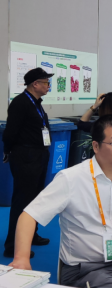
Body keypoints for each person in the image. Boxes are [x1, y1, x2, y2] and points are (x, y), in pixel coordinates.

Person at [9, 115, 112, 288]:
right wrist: (21, 258)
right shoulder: (71, 178)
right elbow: (29, 215)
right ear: (96, 146)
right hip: (83, 270)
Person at [2, 67, 54, 258]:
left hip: (39, 155)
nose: (48, 86)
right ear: (35, 84)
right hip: (26, 157)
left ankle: (30, 235)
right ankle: (12, 245)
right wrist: (8, 151)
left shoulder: (36, 103)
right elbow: (10, 132)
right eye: (46, 82)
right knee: (22, 201)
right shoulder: (20, 103)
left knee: (35, 199)